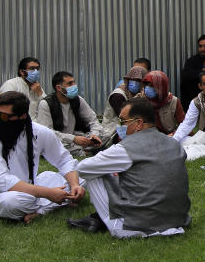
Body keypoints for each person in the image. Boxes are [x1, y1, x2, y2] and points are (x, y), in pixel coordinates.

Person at [69, 99, 191, 238]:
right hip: (177, 219)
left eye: (123, 121)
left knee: (95, 173)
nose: (120, 126)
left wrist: (111, 171)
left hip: (138, 225)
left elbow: (83, 168)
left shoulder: (126, 149)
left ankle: (112, 223)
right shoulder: (173, 143)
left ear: (138, 123)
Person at [0, 92, 85, 223]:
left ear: (22, 116)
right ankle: (43, 208)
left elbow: (64, 160)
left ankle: (42, 205)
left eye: (4, 116)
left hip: (29, 187)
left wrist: (75, 185)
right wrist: (47, 193)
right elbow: (1, 181)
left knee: (81, 175)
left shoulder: (39, 132)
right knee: (20, 200)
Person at [36, 71, 105, 157]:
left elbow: (93, 121)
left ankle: (85, 150)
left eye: (74, 82)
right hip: (58, 140)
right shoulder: (46, 104)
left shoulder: (78, 99)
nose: (74, 86)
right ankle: (85, 152)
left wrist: (94, 136)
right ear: (58, 88)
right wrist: (73, 139)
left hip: (75, 137)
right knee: (58, 147)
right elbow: (47, 132)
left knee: (106, 134)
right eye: (70, 83)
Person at [102, 66, 147, 138]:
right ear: (127, 80)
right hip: (113, 134)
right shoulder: (118, 95)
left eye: (138, 80)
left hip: (132, 131)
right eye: (132, 79)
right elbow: (127, 117)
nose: (134, 83)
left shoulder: (140, 94)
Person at [143, 70, 185, 135]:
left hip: (169, 137)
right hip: (147, 137)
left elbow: (184, 125)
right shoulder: (141, 101)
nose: (147, 89)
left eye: (151, 86)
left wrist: (174, 134)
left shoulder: (173, 101)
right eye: (146, 85)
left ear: (161, 87)